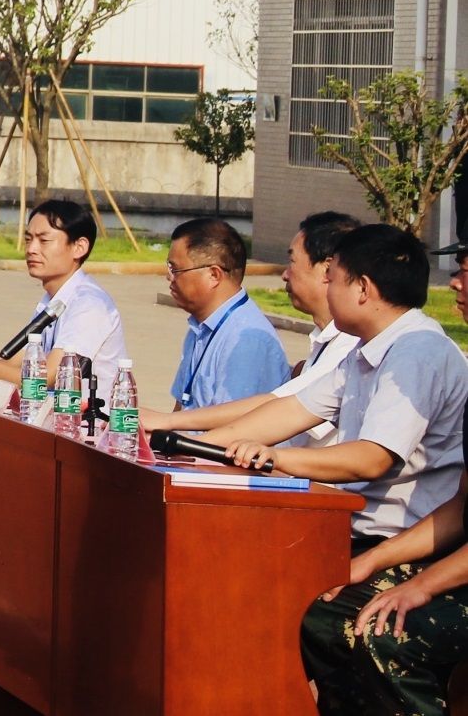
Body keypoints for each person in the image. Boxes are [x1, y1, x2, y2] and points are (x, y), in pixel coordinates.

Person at [206, 225, 468, 556]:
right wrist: (197, 446)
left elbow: (371, 459)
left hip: (395, 546)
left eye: (331, 279)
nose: (325, 289)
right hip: (351, 528)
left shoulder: (417, 351)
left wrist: (275, 457)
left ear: (362, 288)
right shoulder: (367, 348)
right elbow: (293, 410)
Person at [295, 240, 468, 716]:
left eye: (467, 269)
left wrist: (422, 584)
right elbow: (462, 507)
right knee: (309, 602)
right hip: (409, 543)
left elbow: (373, 459)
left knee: (380, 632)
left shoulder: (421, 351)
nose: (454, 281)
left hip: (441, 561)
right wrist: (373, 562)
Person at [140, 211, 360, 443]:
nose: (285, 274)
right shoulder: (323, 341)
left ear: (328, 270)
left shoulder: (249, 338)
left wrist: (170, 430)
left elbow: (278, 408)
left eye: (292, 261)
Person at [0, 198, 126, 400]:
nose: (31, 249)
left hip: (88, 423)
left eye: (44, 241)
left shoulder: (90, 304)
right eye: (28, 239)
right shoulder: (52, 300)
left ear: (79, 247)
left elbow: (47, 377)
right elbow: (14, 364)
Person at [166, 216, 289, 410]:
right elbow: (180, 407)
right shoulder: (200, 327)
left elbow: (233, 428)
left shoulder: (247, 339)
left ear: (214, 275)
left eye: (175, 269)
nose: (169, 277)